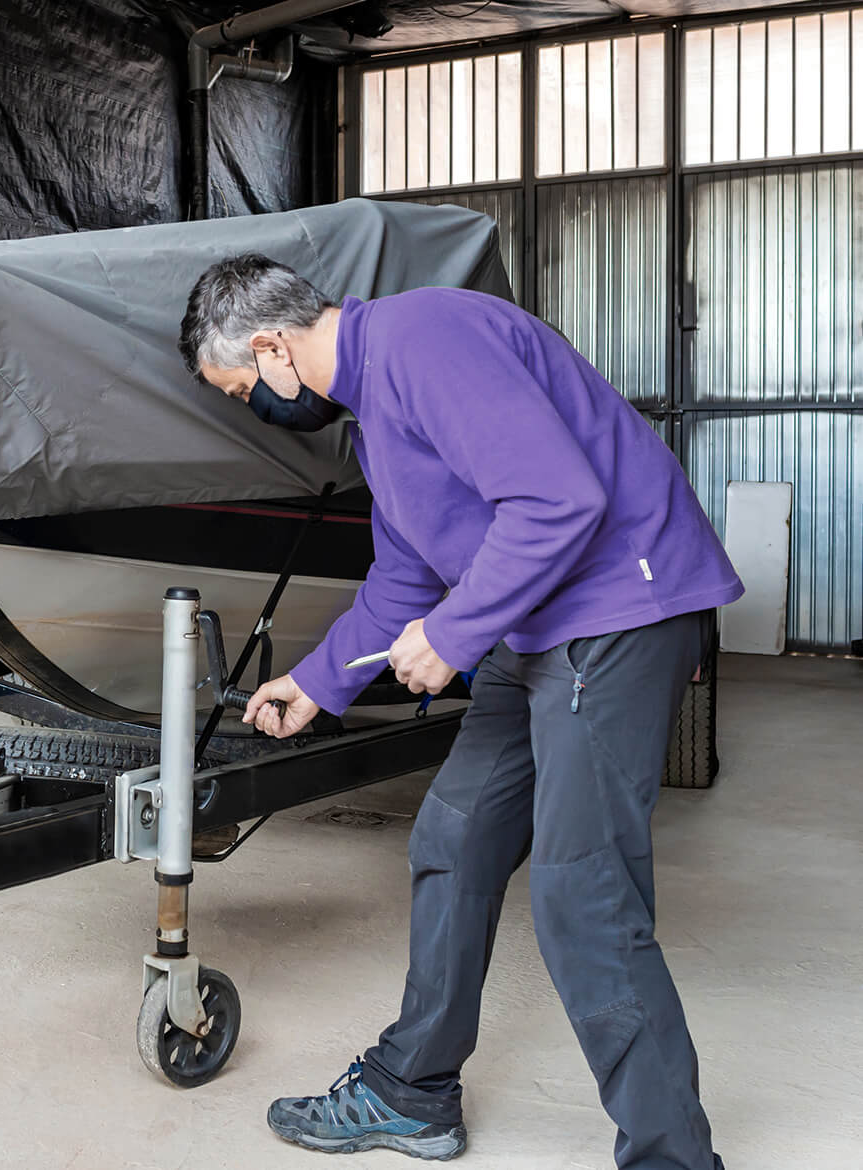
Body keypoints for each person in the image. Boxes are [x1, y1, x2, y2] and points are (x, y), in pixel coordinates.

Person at [177, 254, 741, 1170]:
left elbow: (561, 500)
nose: (255, 404)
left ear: (274, 349)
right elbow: (404, 576)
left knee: (581, 897)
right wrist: (317, 684)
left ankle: (672, 1157)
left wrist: (455, 632)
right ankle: (415, 1092)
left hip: (615, 618)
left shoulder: (423, 338)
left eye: (241, 389)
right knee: (454, 837)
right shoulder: (377, 419)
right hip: (534, 630)